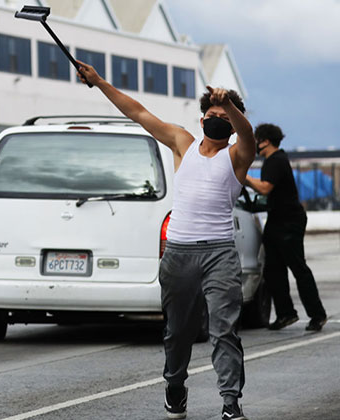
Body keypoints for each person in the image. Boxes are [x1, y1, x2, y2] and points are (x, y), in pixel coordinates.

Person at [77, 61, 255, 420]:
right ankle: (175, 386)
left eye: (226, 115)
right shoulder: (182, 143)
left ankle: (230, 402)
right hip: (178, 252)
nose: (219, 118)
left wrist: (231, 106)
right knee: (178, 332)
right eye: (213, 113)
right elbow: (138, 112)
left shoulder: (237, 156)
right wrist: (98, 82)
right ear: (202, 119)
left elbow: (248, 134)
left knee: (223, 330)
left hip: (219, 253)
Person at [245, 123, 327, 332]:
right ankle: (286, 313)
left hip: (289, 222)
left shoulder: (276, 160)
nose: (256, 144)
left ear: (266, 141)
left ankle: (317, 315)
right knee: (273, 270)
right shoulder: (274, 161)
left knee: (298, 267)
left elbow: (265, 188)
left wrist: (244, 176)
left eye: (257, 139)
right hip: (276, 219)